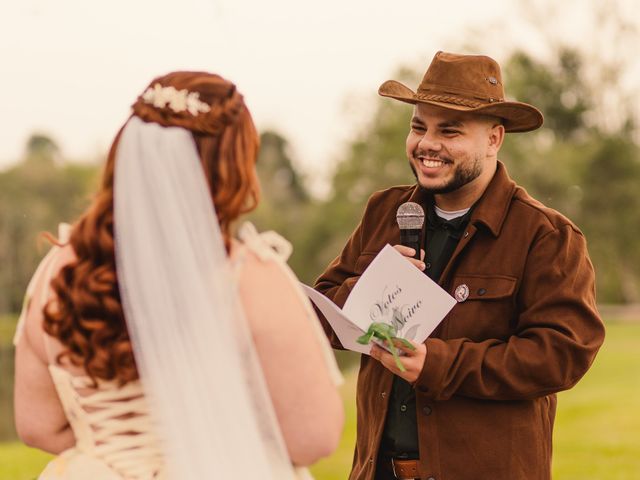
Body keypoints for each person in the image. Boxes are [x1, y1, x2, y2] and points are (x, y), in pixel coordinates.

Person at [14, 71, 344, 479]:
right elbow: (313, 438)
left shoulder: (60, 269)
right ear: (231, 169)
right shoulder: (249, 276)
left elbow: (36, 426)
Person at [314, 51, 605, 480]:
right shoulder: (383, 211)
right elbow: (318, 318)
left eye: (449, 131)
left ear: (494, 139)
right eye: (418, 127)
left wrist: (440, 364)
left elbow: (562, 356)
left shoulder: (546, 236)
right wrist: (371, 283)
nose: (427, 144)